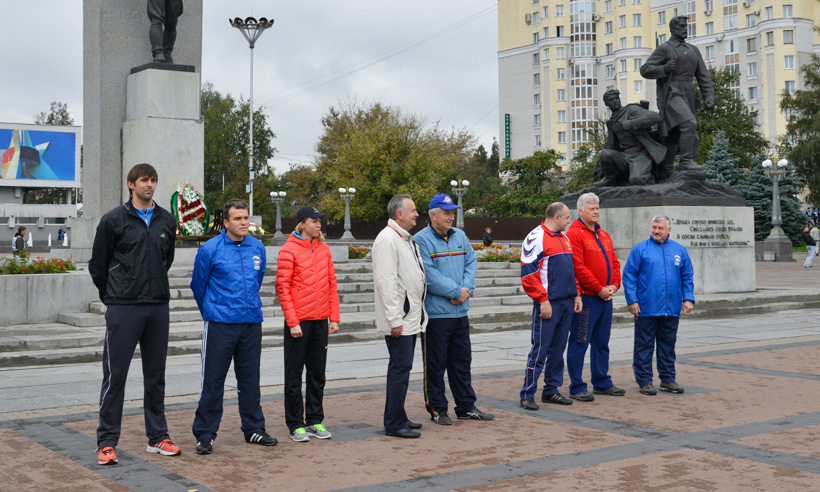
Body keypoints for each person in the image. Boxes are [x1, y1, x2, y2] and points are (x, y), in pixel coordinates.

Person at [88, 163, 180, 466]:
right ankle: (106, 442)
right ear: (131, 184)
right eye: (143, 180)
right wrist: (113, 295)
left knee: (156, 376)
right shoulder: (113, 219)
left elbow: (165, 260)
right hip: (123, 307)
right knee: (115, 377)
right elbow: (98, 265)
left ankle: (158, 437)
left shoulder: (167, 220)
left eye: (153, 180)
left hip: (157, 306)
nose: (149, 185)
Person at [190, 198, 277, 455]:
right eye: (237, 218)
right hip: (220, 324)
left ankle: (254, 429)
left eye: (246, 218)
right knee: (213, 380)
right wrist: (212, 311)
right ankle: (205, 433)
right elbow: (198, 286)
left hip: (251, 324)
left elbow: (257, 280)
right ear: (226, 222)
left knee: (250, 379)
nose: (243, 222)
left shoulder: (257, 247)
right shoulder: (210, 249)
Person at [413, 195, 494, 425]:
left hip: (460, 313)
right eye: (446, 213)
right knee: (435, 366)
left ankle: (466, 406)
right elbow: (428, 275)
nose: (451, 217)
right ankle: (437, 408)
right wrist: (456, 292)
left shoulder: (460, 236)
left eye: (452, 212)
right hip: (436, 315)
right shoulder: (421, 240)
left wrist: (465, 290)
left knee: (462, 363)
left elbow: (471, 263)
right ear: (433, 215)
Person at [276, 206, 340, 443]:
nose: (319, 225)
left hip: (320, 321)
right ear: (302, 223)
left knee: (317, 373)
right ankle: (295, 424)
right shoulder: (288, 250)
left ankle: (314, 420)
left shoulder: (324, 249)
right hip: (299, 322)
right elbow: (282, 288)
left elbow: (331, 285)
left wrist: (334, 318)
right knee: (294, 375)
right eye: (314, 221)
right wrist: (293, 322)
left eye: (320, 221)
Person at [372, 194, 428, 438]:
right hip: (401, 320)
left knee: (402, 369)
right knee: (399, 370)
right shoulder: (388, 239)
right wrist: (395, 319)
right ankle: (394, 423)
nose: (417, 214)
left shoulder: (403, 238)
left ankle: (398, 415)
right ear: (399, 214)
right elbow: (386, 282)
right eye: (413, 210)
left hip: (409, 317)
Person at [519, 203, 582, 410]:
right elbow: (529, 274)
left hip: (566, 301)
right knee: (540, 350)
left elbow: (571, 269)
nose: (569, 221)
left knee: (558, 350)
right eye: (567, 217)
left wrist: (576, 294)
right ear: (556, 217)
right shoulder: (536, 237)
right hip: (548, 303)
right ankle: (527, 394)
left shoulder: (564, 238)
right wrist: (542, 300)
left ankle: (551, 390)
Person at [623, 215, 694, 396]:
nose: (656, 231)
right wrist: (632, 300)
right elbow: (629, 275)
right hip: (646, 307)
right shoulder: (640, 249)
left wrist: (688, 298)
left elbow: (687, 275)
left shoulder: (679, 250)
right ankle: (645, 381)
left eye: (660, 228)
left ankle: (668, 380)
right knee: (644, 346)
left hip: (671, 309)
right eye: (654, 227)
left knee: (668, 345)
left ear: (669, 230)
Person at [565, 193, 625, 402]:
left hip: (605, 298)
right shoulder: (575, 234)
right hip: (588, 298)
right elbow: (578, 267)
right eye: (592, 208)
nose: (596, 211)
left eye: (597, 208)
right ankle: (577, 386)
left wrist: (615, 285)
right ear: (580, 211)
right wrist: (598, 288)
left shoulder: (604, 234)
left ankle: (601, 382)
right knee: (580, 341)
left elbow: (614, 262)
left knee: (602, 342)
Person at [640, 16, 714, 181]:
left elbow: (703, 75)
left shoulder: (693, 50)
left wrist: (708, 95)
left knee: (674, 132)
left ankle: (666, 170)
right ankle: (686, 161)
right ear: (673, 29)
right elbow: (645, 69)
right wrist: (664, 68)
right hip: (672, 93)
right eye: (681, 26)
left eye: (686, 26)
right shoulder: (665, 48)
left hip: (689, 93)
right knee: (689, 123)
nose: (685, 29)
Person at [594, 90, 667, 186]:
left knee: (637, 179)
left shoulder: (631, 110)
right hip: (625, 156)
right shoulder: (611, 122)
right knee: (604, 153)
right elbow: (610, 145)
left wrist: (631, 123)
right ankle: (610, 179)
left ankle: (653, 177)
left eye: (616, 98)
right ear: (606, 104)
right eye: (611, 100)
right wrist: (598, 164)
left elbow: (655, 117)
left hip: (641, 155)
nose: (615, 101)